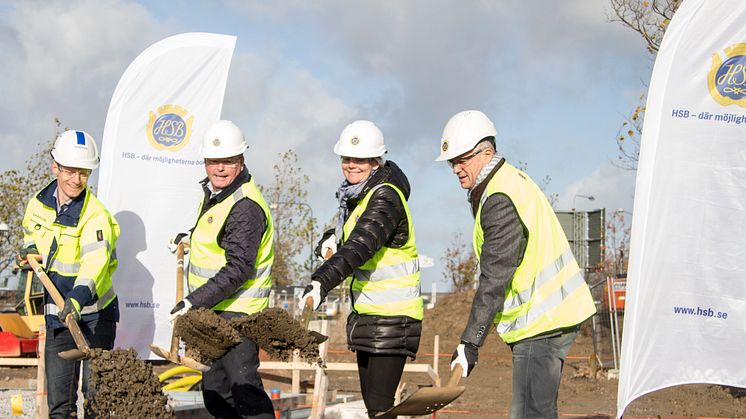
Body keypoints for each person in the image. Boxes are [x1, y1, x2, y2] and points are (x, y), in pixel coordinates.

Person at [437, 110, 597, 418]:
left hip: (542, 320)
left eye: (463, 159)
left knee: (529, 414)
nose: (456, 168)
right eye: (451, 162)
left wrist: (470, 343)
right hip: (549, 316)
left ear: (487, 152)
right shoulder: (508, 182)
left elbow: (495, 276)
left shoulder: (499, 198)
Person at [299, 120, 423, 419]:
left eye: (360, 159)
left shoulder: (385, 197)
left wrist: (320, 283)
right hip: (369, 316)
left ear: (376, 161)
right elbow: (351, 236)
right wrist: (332, 235)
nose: (351, 165)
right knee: (375, 409)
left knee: (380, 409)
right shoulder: (360, 195)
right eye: (347, 158)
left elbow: (358, 249)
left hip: (392, 319)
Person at [169, 120, 275, 418]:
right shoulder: (219, 194)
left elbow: (239, 267)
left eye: (227, 161)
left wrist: (192, 302)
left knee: (246, 393)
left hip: (238, 316)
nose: (219, 168)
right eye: (213, 161)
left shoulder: (245, 205)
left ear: (241, 161)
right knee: (215, 393)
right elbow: (221, 237)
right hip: (214, 313)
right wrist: (190, 236)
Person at [18, 130, 120, 418]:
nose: (76, 180)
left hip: (95, 314)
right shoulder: (38, 203)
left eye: (84, 173)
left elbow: (95, 264)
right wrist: (29, 248)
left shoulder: (95, 215)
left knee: (97, 401)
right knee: (60, 406)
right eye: (71, 171)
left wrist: (76, 299)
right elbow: (31, 231)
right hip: (58, 316)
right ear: (56, 167)